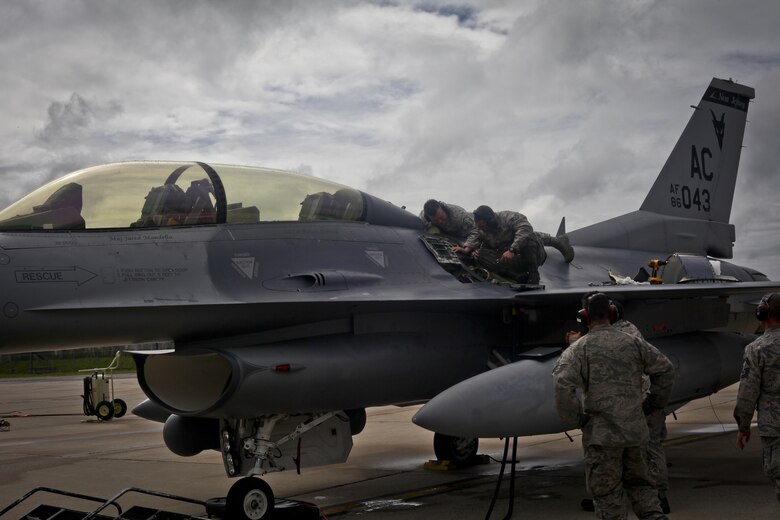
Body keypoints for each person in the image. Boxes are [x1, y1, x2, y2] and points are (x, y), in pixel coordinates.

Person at [553, 293, 675, 519]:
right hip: (636, 433)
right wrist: (651, 404)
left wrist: (578, 420)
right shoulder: (634, 342)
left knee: (608, 497)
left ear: (585, 317)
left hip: (602, 439)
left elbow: (562, 384)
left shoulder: (579, 349)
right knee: (643, 490)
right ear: (611, 315)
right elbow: (665, 369)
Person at [733, 292, 780, 504]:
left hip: (775, 427)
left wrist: (743, 427)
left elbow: (747, 393)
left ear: (761, 314)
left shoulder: (757, 349)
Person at [421, 199, 574, 262]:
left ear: (443, 209)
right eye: (436, 220)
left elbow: (476, 232)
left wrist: (467, 247)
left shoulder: (460, 217)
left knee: (525, 236)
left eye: (442, 218)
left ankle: (557, 241)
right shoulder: (426, 215)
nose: (440, 222)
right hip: (466, 233)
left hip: (475, 229)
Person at [452, 205, 546, 284]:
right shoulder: (482, 230)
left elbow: (526, 229)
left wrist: (512, 250)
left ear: (491, 221)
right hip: (513, 260)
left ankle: (534, 274)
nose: (481, 229)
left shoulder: (509, 217)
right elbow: (475, 237)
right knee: (480, 255)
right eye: (478, 227)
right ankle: (516, 276)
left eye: (482, 226)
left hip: (532, 255)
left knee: (529, 238)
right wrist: (466, 249)